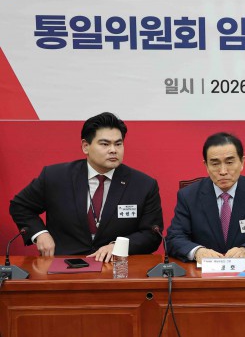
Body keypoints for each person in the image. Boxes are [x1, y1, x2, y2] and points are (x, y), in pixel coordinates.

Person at [9, 112, 163, 261]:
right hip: (65, 264)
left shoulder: (143, 185)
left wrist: (118, 246)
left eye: (118, 144)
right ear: (85, 146)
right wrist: (40, 233)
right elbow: (20, 206)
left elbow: (152, 234)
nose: (113, 150)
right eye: (105, 144)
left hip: (117, 265)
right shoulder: (56, 177)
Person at [166, 132, 245, 263]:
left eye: (229, 162)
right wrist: (197, 252)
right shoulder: (188, 195)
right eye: (215, 164)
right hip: (202, 271)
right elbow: (174, 237)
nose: (223, 171)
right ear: (206, 165)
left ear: (242, 162)